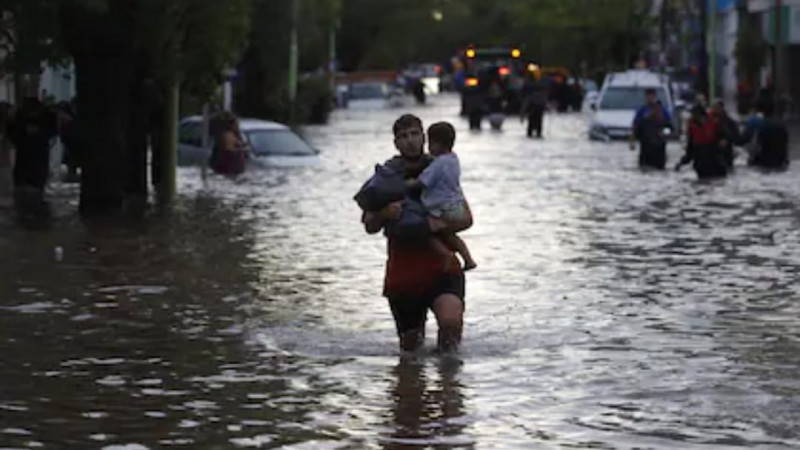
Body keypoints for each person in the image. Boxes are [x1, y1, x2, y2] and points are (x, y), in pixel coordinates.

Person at [362, 114, 471, 353]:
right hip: (404, 273)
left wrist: (435, 225)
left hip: (442, 267)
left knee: (451, 324)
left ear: (424, 136)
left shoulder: (441, 167)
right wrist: (384, 214)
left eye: (414, 134)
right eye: (403, 136)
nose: (410, 141)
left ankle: (450, 385)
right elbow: (370, 225)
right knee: (411, 352)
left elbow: (466, 219)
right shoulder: (386, 176)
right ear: (396, 143)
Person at [405, 121, 476, 271]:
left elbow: (422, 182)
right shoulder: (453, 159)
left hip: (444, 209)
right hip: (457, 207)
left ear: (438, 144)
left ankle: (444, 255)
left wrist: (407, 183)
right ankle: (468, 259)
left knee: (425, 230)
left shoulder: (438, 164)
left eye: (430, 143)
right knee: (448, 235)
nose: (428, 147)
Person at [7, 97, 57, 194]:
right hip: (28, 159)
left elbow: (52, 130)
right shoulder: (19, 117)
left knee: (31, 189)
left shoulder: (46, 116)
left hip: (36, 160)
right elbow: (11, 134)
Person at [675, 104, 726, 178]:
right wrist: (681, 163)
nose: (693, 117)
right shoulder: (692, 126)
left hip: (715, 161)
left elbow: (724, 137)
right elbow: (690, 149)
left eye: (694, 115)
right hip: (700, 163)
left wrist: (723, 143)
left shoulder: (715, 123)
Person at [738, 99, 788, 169]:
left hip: (763, 162)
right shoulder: (782, 125)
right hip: (780, 162)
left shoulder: (755, 122)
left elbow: (744, 140)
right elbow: (785, 145)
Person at [629, 88, 672, 170]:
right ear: (646, 97)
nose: (650, 98)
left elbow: (670, 128)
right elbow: (635, 127)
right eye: (648, 96)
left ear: (655, 96)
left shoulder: (663, 111)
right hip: (645, 146)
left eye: (652, 96)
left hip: (659, 147)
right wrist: (632, 141)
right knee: (644, 167)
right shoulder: (642, 111)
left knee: (659, 169)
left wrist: (664, 134)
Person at [710, 100, 740, 169]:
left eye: (717, 108)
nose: (715, 111)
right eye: (713, 108)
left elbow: (737, 139)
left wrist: (727, 140)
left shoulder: (730, 122)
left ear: (722, 109)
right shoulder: (708, 120)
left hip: (726, 154)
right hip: (712, 154)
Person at [521, 70, 547, 138]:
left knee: (532, 120)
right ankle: (537, 133)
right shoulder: (540, 84)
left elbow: (524, 94)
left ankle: (532, 133)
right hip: (537, 104)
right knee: (538, 120)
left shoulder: (528, 84)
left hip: (532, 104)